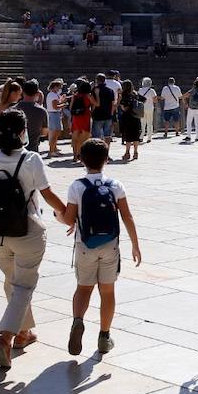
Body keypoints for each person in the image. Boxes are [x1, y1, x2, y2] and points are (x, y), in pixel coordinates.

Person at [0, 109, 70, 369]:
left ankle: (24, 333)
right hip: (27, 229)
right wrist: (66, 214)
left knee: (13, 283)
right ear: (23, 132)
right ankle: (6, 337)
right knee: (23, 286)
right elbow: (47, 193)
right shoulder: (31, 159)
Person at [62, 138, 142, 358]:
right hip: (110, 244)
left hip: (85, 244)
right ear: (106, 160)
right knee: (107, 291)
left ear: (81, 160)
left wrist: (59, 215)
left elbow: (69, 219)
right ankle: (104, 336)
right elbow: (126, 215)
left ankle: (78, 320)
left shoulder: (77, 186)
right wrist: (135, 244)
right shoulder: (115, 185)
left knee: (83, 288)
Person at [16, 79, 49, 155]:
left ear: (22, 92)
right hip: (32, 151)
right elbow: (44, 133)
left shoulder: (13, 109)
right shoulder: (42, 111)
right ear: (37, 93)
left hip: (15, 152)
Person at [68, 78, 95, 162]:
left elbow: (70, 108)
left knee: (75, 137)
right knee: (84, 138)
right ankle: (82, 156)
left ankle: (75, 156)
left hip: (76, 117)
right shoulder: (88, 96)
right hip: (85, 116)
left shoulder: (74, 96)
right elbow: (95, 104)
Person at [118, 79, 142, 161]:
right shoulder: (135, 93)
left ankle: (127, 152)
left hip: (128, 117)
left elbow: (123, 108)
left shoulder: (124, 95)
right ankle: (135, 152)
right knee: (136, 135)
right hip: (136, 117)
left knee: (128, 135)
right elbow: (143, 100)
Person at [90, 73, 115, 148]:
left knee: (96, 136)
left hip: (98, 114)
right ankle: (106, 152)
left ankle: (97, 152)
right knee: (107, 135)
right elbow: (113, 104)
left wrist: (92, 112)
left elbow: (94, 104)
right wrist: (111, 113)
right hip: (108, 115)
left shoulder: (95, 90)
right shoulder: (110, 90)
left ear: (97, 80)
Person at [183, 77, 198, 143]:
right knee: (197, 122)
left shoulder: (193, 90)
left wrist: (185, 103)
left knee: (189, 122)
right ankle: (197, 137)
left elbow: (184, 96)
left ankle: (189, 136)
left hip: (192, 108)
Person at [46, 79, 66, 157]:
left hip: (54, 114)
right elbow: (55, 106)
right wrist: (63, 105)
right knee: (55, 133)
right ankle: (51, 151)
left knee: (55, 133)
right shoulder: (53, 95)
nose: (59, 89)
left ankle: (53, 149)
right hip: (54, 114)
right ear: (55, 87)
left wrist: (61, 101)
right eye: (59, 87)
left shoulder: (52, 94)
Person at [138, 77, 157, 143]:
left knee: (142, 123)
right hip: (150, 108)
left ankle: (141, 136)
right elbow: (155, 100)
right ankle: (149, 137)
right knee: (149, 123)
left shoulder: (140, 90)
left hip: (142, 108)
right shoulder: (152, 90)